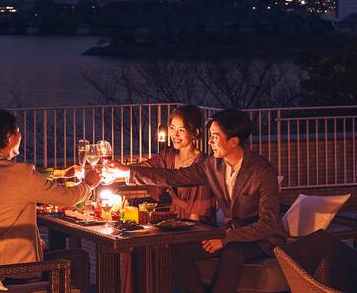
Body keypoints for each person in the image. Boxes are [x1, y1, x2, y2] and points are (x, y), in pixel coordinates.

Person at [107, 109, 285, 293]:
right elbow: (174, 177)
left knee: (232, 254)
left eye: (215, 137)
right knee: (174, 250)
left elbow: (268, 224)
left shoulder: (262, 172)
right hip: (228, 234)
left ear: (233, 141)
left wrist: (226, 238)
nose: (209, 142)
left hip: (261, 240)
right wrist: (127, 171)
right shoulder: (213, 166)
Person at [0, 109, 97, 291]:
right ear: (9, 137)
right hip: (14, 273)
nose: (21, 136)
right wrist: (89, 184)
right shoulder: (21, 174)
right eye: (18, 131)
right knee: (79, 258)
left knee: (48, 250)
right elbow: (69, 198)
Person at [135, 104, 216, 224]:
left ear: (195, 133)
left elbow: (198, 213)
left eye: (181, 130)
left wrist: (187, 234)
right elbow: (145, 168)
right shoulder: (167, 156)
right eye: (172, 128)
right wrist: (119, 169)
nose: (175, 134)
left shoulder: (203, 163)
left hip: (198, 225)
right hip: (174, 219)